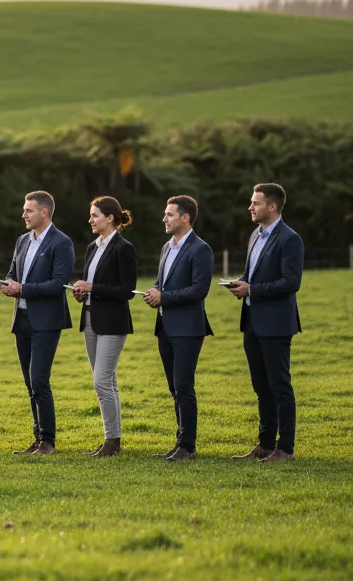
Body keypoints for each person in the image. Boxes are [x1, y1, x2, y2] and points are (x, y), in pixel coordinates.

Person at [226, 183, 304, 463]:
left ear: (272, 207)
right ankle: (265, 444)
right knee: (261, 387)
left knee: (280, 385)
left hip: (276, 324)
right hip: (252, 322)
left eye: (256, 203)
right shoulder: (255, 236)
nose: (250, 207)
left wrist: (252, 290)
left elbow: (291, 282)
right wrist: (240, 284)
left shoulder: (289, 239)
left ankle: (286, 449)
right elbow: (253, 276)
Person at [0, 190, 74, 455]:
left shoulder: (61, 242)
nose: (23, 215)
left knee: (39, 380)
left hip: (46, 322)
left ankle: (48, 441)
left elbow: (58, 284)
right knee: (30, 382)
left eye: (28, 210)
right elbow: (13, 271)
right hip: (22, 320)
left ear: (44, 212)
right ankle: (37, 437)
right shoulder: (22, 240)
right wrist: (8, 284)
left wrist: (23, 289)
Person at [142, 195, 213, 461]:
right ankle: (180, 442)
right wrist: (154, 292)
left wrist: (165, 297)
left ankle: (187, 447)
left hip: (188, 328)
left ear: (185, 218)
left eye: (169, 214)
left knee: (184, 385)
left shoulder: (200, 249)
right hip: (165, 327)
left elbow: (199, 290)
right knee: (174, 387)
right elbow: (163, 282)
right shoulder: (166, 247)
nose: (164, 218)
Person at [71, 196, 138, 457]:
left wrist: (92, 287)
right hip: (89, 319)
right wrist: (81, 292)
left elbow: (127, 290)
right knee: (107, 381)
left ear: (110, 218)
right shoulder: (92, 247)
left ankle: (112, 442)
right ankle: (112, 440)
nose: (90, 220)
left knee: (100, 381)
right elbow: (91, 285)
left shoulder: (124, 248)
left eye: (95, 215)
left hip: (112, 321)